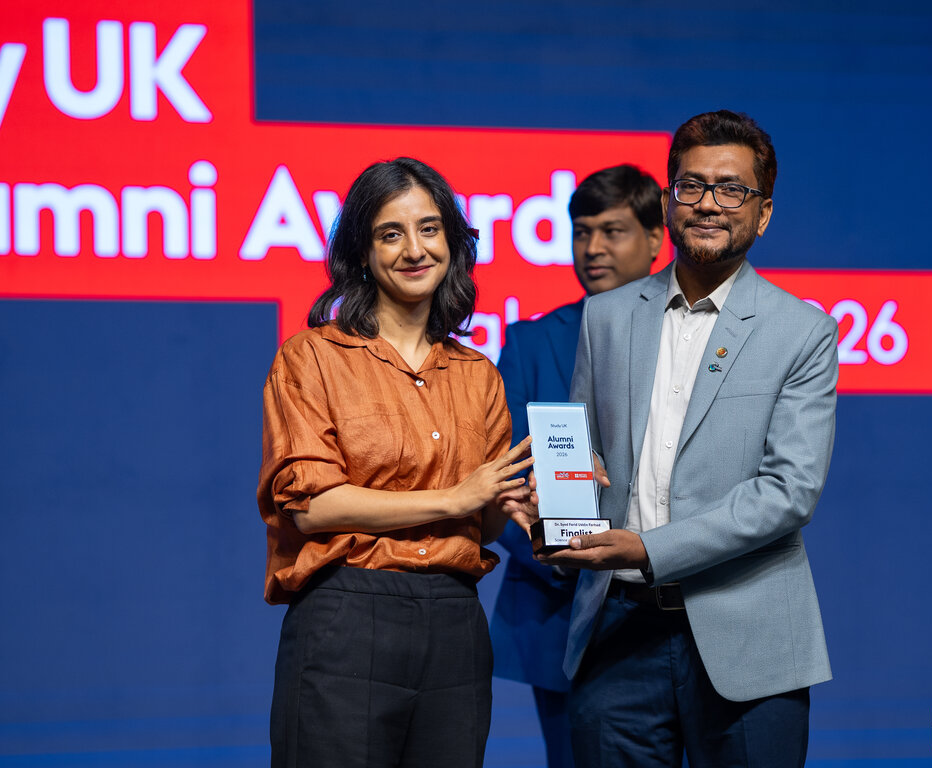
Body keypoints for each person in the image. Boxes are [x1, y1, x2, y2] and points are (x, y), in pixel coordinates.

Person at [525, 110, 839, 767]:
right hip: (616, 632)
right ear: (669, 201)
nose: (707, 204)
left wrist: (648, 548)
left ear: (764, 213)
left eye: (732, 189)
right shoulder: (605, 318)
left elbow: (788, 493)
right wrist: (556, 502)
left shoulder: (801, 331)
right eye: (690, 186)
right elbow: (584, 459)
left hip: (748, 638)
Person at [257, 157, 535, 768]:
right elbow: (313, 507)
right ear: (361, 251)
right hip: (347, 615)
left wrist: (518, 499)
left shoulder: (478, 375)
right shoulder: (313, 358)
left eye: (430, 229)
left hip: (456, 624)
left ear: (452, 244)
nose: (415, 249)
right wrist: (454, 498)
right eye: (392, 233)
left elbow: (482, 528)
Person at [489, 165, 664, 768]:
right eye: (581, 232)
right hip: (562, 608)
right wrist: (556, 553)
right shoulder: (533, 344)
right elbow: (501, 478)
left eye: (612, 231)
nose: (592, 248)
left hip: (676, 607)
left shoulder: (696, 337)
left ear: (655, 239)